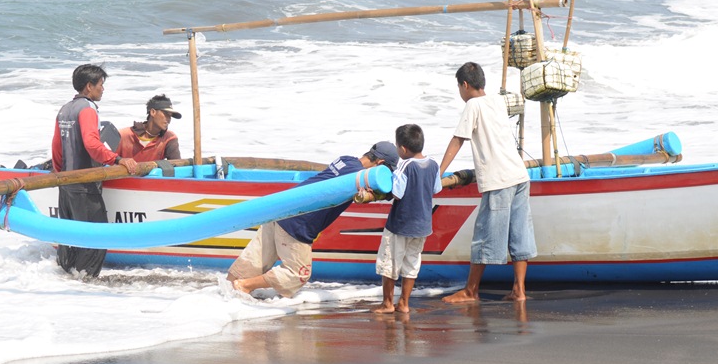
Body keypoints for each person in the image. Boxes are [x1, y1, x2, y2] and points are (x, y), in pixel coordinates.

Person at [227, 142, 399, 298]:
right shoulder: (358, 175)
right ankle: (245, 285)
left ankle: (225, 290)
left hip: (283, 206)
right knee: (298, 273)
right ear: (381, 165)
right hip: (299, 220)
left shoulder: (346, 160)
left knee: (258, 258)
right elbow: (378, 188)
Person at [438, 61, 537, 302]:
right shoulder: (497, 101)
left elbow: (458, 140)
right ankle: (519, 290)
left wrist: (438, 172)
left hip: (499, 179)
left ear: (464, 84)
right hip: (519, 175)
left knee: (484, 235)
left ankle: (471, 291)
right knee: (518, 234)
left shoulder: (473, 105)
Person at [51, 64, 138, 278]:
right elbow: (91, 144)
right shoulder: (87, 109)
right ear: (89, 86)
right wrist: (117, 159)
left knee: (70, 239)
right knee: (96, 239)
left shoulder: (64, 109)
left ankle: (64, 282)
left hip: (66, 183)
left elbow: (56, 148)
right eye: (101, 85)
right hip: (84, 184)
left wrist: (60, 177)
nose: (103, 89)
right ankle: (84, 287)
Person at [374, 124, 442, 314]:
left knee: (391, 263)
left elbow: (397, 193)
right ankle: (404, 303)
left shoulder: (404, 165)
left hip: (400, 225)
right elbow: (437, 189)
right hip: (422, 225)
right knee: (412, 263)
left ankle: (387, 304)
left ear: (403, 148)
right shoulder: (434, 164)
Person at [115, 94, 182, 162]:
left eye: (170, 116)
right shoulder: (124, 135)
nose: (168, 119)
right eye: (166, 114)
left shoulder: (169, 138)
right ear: (153, 112)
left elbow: (177, 167)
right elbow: (106, 159)